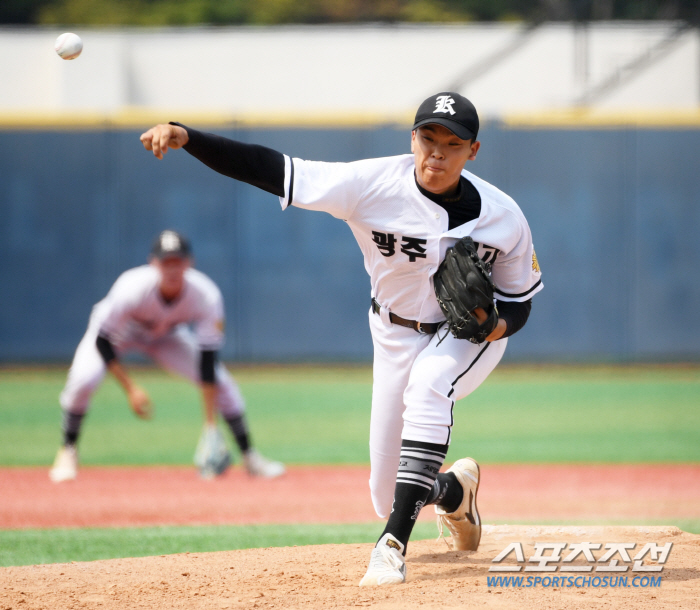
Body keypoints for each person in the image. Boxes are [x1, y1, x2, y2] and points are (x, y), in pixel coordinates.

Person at [139, 92, 543, 585]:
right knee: (384, 490)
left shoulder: (504, 216)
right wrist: (188, 135)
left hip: (465, 337)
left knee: (430, 384)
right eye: (428, 138)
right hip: (393, 332)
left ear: (472, 151)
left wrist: (491, 326)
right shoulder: (370, 185)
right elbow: (271, 169)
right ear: (412, 138)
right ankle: (454, 493)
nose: (437, 152)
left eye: (452, 144)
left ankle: (391, 545)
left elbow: (518, 306)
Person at [49, 230, 285, 483]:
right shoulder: (131, 287)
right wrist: (130, 388)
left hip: (167, 337)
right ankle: (67, 450)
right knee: (83, 380)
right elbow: (102, 339)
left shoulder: (206, 295)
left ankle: (250, 457)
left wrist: (210, 426)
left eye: (178, 261)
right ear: (154, 263)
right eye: (166, 262)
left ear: (189, 263)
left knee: (223, 383)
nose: (172, 269)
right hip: (119, 335)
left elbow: (207, 361)